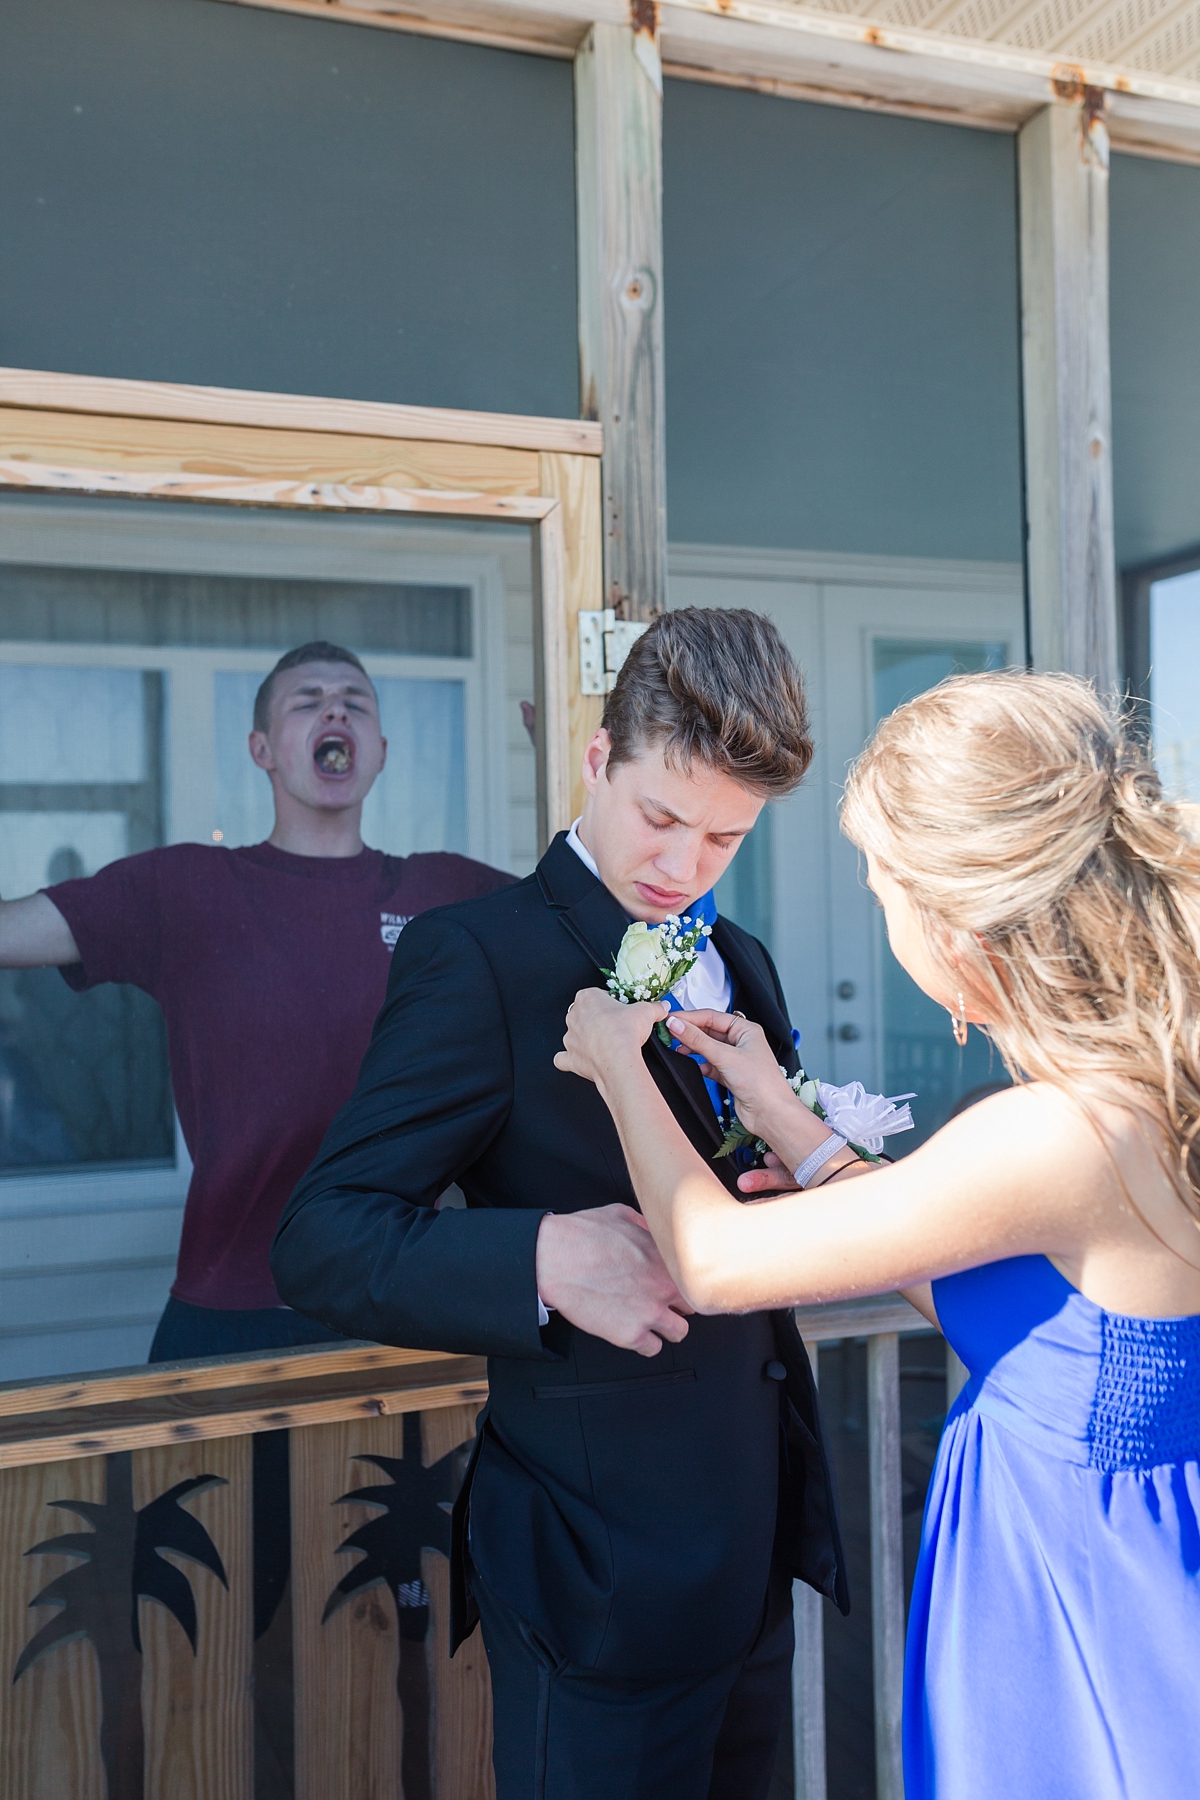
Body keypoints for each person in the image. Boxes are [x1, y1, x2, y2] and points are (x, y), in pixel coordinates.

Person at [557, 669, 1200, 1800]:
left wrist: (619, 1066)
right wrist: (796, 1128)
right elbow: (1004, 1301)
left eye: (884, 888)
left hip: (1084, 1600)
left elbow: (713, 1262)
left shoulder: (1062, 1132)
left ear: (956, 921)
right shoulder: (1146, 1097)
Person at [272, 609, 848, 1800]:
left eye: (725, 838)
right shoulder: (471, 957)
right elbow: (321, 1235)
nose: (684, 866)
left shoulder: (741, 956)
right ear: (597, 761)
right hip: (597, 1574)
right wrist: (538, 1257)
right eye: (659, 816)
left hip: (751, 1554)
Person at [0, 640, 514, 1690]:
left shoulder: (448, 894)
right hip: (231, 1310)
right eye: (307, 702)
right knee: (201, 1627)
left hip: (402, 1303)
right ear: (264, 749)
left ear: (376, 748)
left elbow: (603, 920)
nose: (335, 714)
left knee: (409, 1632)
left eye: (356, 702)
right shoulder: (187, 889)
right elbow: (15, 933)